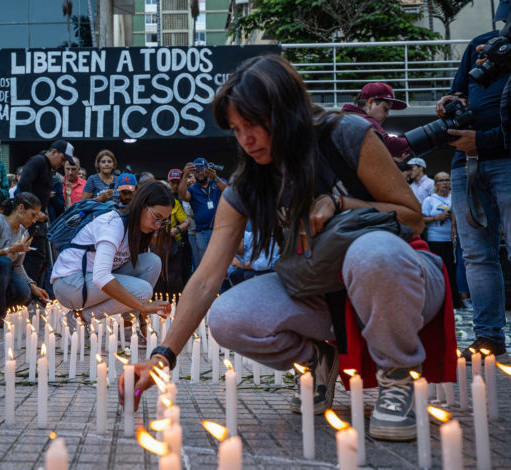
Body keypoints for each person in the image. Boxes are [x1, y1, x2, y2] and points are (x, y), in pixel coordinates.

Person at [121, 55, 453, 443]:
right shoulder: (249, 182)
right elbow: (206, 278)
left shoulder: (345, 135)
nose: (245, 139)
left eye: (254, 125)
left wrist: (340, 203)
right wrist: (164, 356)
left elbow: (411, 217)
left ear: (286, 111)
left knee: (371, 252)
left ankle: (398, 378)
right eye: (236, 128)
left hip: (399, 278)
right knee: (229, 316)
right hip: (322, 290)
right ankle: (317, 363)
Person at [439, 1, 510, 359]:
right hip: (465, 162)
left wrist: (482, 141)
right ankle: (488, 337)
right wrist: (450, 101)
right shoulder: (480, 44)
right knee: (477, 256)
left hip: (504, 160)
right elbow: (461, 91)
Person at [51, 182, 173, 322]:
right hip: (69, 284)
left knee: (152, 262)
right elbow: (101, 276)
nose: (158, 226)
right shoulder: (113, 224)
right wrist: (143, 306)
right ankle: (78, 319)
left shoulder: (139, 231)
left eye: (163, 221)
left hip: (89, 282)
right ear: (141, 205)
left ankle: (128, 321)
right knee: (143, 291)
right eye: (156, 217)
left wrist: (142, 317)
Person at [0, 192, 49, 323]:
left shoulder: (22, 232)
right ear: (20, 208)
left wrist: (32, 285)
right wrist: (9, 250)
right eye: (32, 215)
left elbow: (18, 266)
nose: (34, 220)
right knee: (4, 262)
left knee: (24, 292)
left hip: (4, 274)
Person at [17, 140, 76, 287]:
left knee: (40, 258)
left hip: (38, 219)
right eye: (62, 159)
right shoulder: (38, 161)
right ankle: (26, 295)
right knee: (34, 257)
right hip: (29, 219)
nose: (62, 164)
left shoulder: (46, 166)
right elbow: (24, 183)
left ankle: (30, 294)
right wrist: (33, 212)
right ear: (54, 152)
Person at [341, 82, 411, 160]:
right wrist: (425, 137)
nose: (387, 115)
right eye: (385, 109)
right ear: (370, 102)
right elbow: (388, 144)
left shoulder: (348, 117)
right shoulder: (362, 119)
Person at [178, 157, 227, 267]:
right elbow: (182, 196)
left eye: (202, 169)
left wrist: (215, 177)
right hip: (202, 232)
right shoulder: (192, 189)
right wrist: (185, 175)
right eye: (196, 171)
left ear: (207, 169)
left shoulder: (217, 182)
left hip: (220, 229)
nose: (200, 173)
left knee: (222, 262)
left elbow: (229, 192)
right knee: (205, 264)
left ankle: (223, 284)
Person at [422, 172, 458, 305]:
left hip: (452, 239)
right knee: (438, 270)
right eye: (441, 180)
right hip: (435, 238)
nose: (445, 183)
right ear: (435, 184)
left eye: (447, 180)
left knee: (452, 271)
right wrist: (436, 218)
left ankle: (454, 300)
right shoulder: (430, 200)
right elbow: (421, 219)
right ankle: (437, 300)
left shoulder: (454, 197)